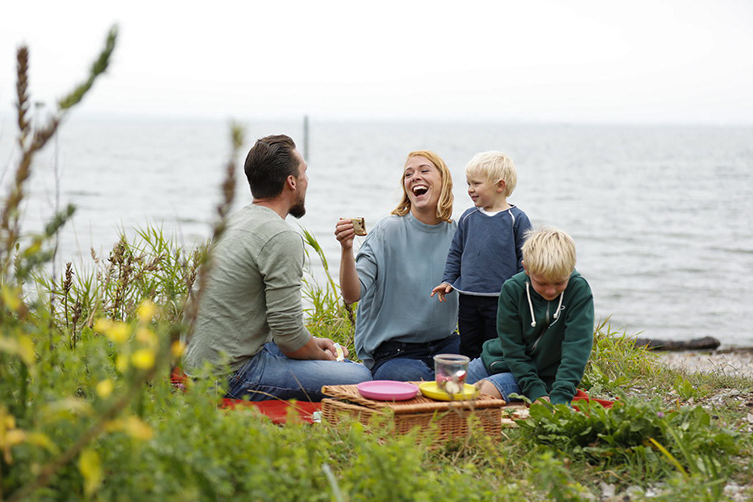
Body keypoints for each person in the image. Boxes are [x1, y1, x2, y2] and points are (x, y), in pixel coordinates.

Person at [184, 134, 371, 401]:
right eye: (304, 172)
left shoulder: (234, 222)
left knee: (337, 366)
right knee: (360, 378)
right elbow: (289, 338)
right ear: (291, 182)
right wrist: (323, 358)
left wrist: (312, 343)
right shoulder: (282, 236)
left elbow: (281, 330)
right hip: (230, 375)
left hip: (201, 363)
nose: (307, 180)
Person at [334, 150, 460, 381]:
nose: (415, 177)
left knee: (483, 364)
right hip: (395, 353)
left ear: (444, 180)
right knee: (418, 382)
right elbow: (352, 294)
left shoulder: (459, 234)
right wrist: (346, 249)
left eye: (424, 170)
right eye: (408, 174)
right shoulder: (387, 231)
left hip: (446, 346)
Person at [464, 226, 595, 405]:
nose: (550, 291)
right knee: (444, 387)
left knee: (481, 392)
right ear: (526, 268)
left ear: (571, 269)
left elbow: (576, 349)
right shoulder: (512, 289)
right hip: (497, 361)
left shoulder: (579, 290)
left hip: (541, 377)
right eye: (541, 283)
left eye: (559, 282)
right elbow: (513, 348)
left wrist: (555, 396)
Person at [432, 151, 532, 359]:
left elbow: (525, 260)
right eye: (468, 184)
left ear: (500, 186)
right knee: (468, 345)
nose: (470, 190)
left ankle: (492, 383)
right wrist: (449, 280)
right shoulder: (468, 217)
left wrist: (521, 291)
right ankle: (471, 385)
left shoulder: (516, 219)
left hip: (501, 299)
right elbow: (456, 252)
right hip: (468, 296)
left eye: (476, 184)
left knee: (497, 346)